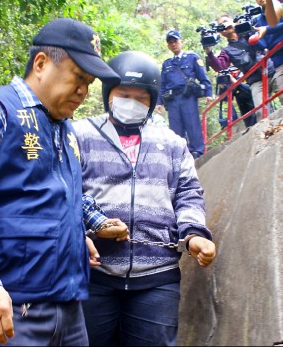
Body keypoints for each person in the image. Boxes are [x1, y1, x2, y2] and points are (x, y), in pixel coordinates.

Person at [0, 17, 130, 346]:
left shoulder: (64, 128)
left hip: (67, 306)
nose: (83, 91)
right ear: (41, 63)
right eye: (78, 77)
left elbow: (66, 193)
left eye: (90, 82)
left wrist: (93, 223)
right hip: (7, 305)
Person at [72, 50, 217, 346]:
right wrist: (91, 227)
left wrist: (193, 234)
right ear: (108, 95)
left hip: (157, 278)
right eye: (124, 95)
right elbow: (65, 192)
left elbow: (188, 193)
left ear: (153, 101)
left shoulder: (172, 144)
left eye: (142, 98)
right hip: (93, 274)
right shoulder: (79, 135)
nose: (132, 103)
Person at [155, 30, 213, 159]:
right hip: (172, 99)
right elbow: (162, 84)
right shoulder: (167, 63)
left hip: (188, 96)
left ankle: (197, 151)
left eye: (175, 41)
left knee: (192, 123)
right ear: (168, 46)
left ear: (181, 41)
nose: (173, 44)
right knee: (175, 127)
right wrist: (159, 102)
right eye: (170, 43)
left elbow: (202, 76)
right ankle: (179, 154)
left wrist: (208, 92)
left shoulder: (192, 57)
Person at [204, 14, 272, 123]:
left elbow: (265, 44)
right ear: (221, 32)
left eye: (225, 21)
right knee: (262, 113)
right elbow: (219, 66)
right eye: (221, 25)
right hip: (255, 80)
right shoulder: (227, 50)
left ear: (233, 21)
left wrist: (245, 32)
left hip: (272, 69)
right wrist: (208, 51)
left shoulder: (249, 30)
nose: (224, 25)